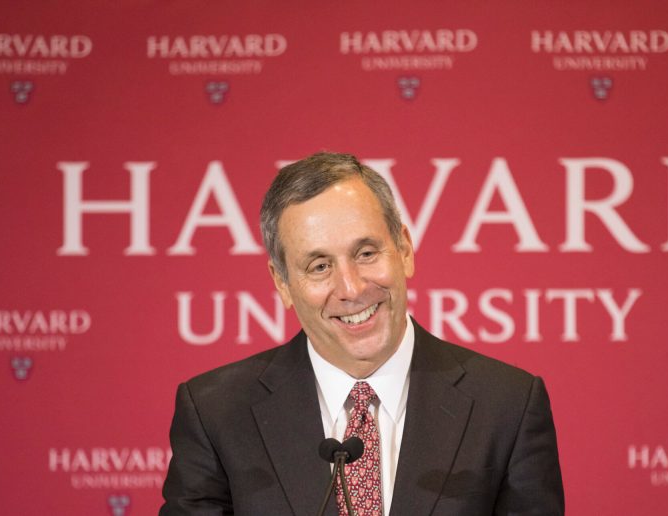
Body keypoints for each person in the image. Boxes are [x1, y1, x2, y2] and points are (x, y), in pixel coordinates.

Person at [160, 152, 564, 515]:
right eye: (319, 266)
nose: (351, 289)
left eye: (366, 253)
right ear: (282, 283)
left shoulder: (507, 405)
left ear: (404, 249)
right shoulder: (216, 413)